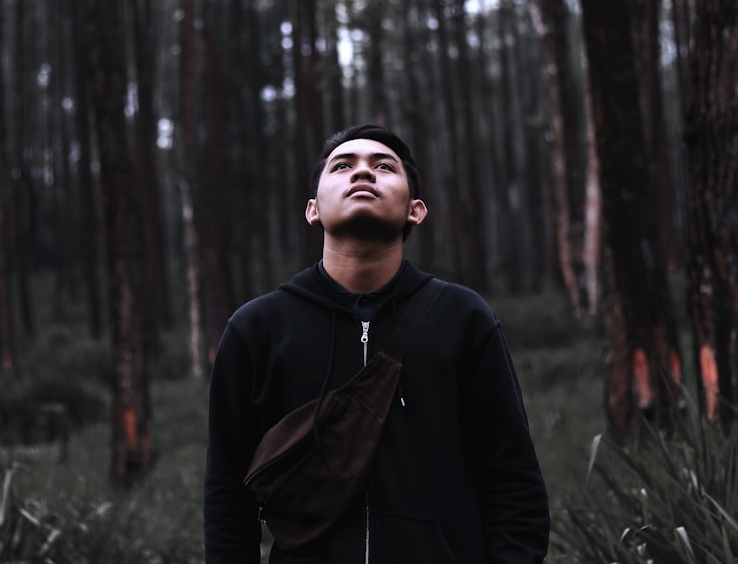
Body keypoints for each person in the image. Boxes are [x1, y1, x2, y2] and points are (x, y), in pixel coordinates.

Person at [203, 124, 550, 563]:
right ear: (312, 209)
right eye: (343, 166)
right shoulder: (257, 329)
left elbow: (513, 482)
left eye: (384, 167)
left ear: (416, 211)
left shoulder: (463, 319)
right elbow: (227, 498)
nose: (363, 173)